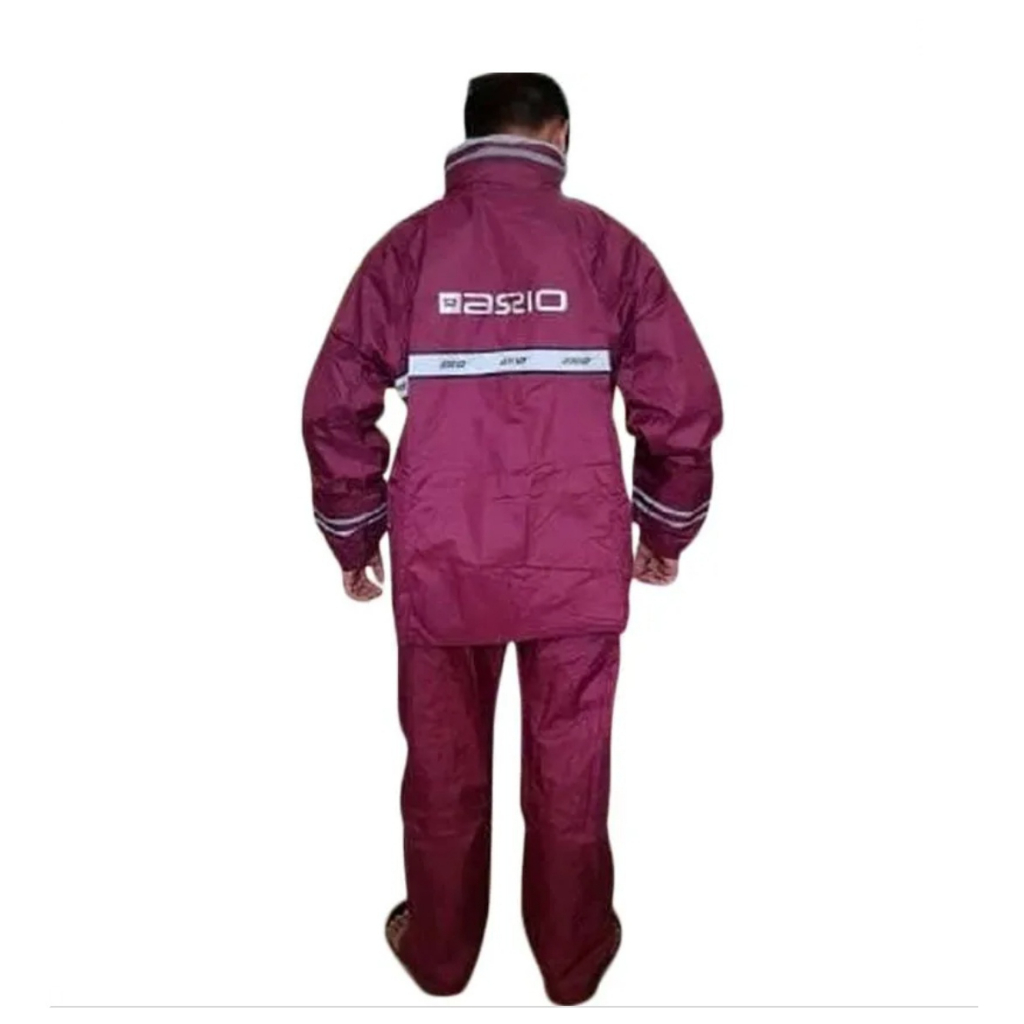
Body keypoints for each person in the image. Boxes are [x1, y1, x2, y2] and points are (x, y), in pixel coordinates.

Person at [301, 72, 723, 1005]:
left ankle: (440, 955)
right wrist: (666, 527)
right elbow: (682, 408)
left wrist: (354, 535)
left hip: (441, 560)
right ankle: (571, 963)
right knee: (571, 772)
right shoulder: (608, 251)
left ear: (472, 135)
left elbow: (335, 408)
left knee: (443, 770)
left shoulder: (407, 253)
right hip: (575, 560)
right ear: (558, 134)